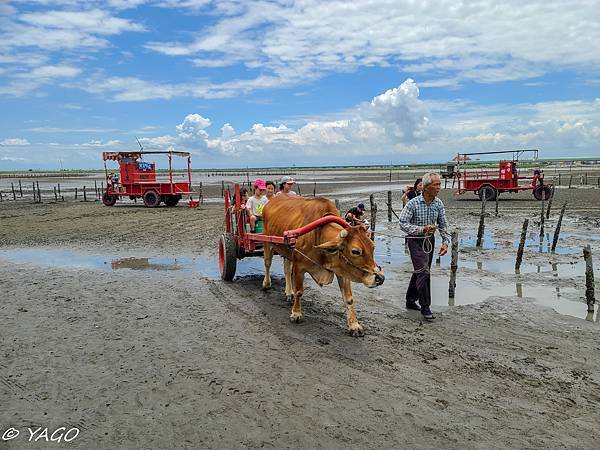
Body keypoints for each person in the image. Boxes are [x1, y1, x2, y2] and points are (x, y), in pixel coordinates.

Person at [398, 172, 450, 321]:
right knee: (423, 271)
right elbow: (402, 223)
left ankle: (410, 299)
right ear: (426, 187)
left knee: (421, 271)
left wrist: (445, 242)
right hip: (415, 240)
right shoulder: (413, 203)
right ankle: (425, 306)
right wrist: (421, 229)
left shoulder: (438, 203)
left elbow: (443, 224)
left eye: (439, 184)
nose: (439, 187)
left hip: (429, 240)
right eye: (436, 185)